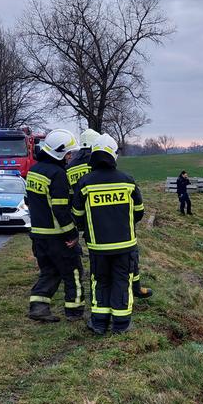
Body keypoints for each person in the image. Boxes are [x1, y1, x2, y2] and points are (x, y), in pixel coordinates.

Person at [68, 127, 153, 301]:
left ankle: (101, 310)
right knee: (128, 261)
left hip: (91, 225)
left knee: (100, 272)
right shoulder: (112, 172)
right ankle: (134, 288)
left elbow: (72, 199)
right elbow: (138, 211)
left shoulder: (70, 168)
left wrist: (83, 225)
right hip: (119, 225)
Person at [25, 129, 85, 323]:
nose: (70, 157)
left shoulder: (34, 171)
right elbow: (60, 209)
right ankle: (75, 312)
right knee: (74, 272)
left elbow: (29, 201)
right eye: (68, 153)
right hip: (57, 236)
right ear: (59, 152)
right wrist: (72, 235)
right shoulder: (57, 174)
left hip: (38, 235)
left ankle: (39, 306)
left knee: (49, 271)